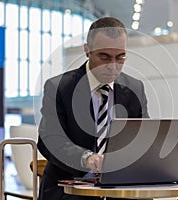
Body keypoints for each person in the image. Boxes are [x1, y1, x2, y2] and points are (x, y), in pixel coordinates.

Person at [37, 17, 149, 200]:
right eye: (104, 57)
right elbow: (49, 139)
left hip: (121, 191)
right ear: (87, 50)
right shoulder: (59, 87)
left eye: (120, 57)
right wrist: (87, 159)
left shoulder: (135, 88)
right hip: (69, 191)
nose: (113, 67)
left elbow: (143, 137)